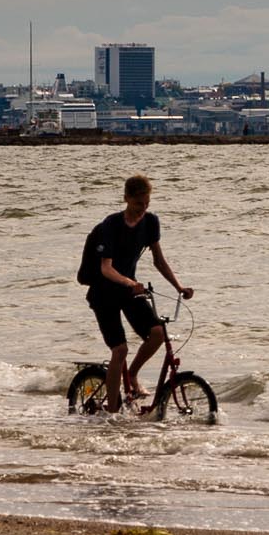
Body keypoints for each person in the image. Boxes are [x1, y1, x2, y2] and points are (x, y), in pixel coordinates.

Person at [82, 174, 193, 413]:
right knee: (120, 349)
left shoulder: (151, 222)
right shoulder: (110, 225)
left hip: (129, 290)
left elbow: (159, 261)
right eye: (138, 204)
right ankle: (112, 412)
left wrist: (179, 287)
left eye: (146, 203)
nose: (143, 209)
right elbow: (106, 268)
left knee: (156, 334)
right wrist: (130, 282)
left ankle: (131, 375)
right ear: (126, 199)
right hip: (104, 293)